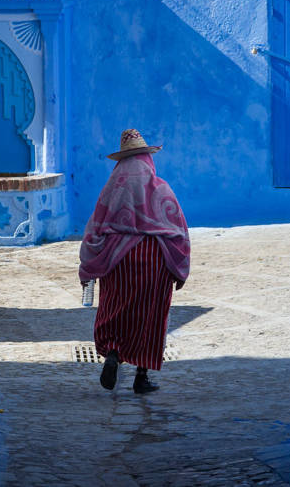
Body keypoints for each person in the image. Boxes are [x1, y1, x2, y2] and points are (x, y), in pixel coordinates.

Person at [79, 129, 191, 394]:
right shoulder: (161, 189)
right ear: (147, 161)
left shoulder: (111, 191)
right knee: (150, 317)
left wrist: (90, 265)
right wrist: (179, 269)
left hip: (118, 260)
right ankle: (142, 376)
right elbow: (178, 229)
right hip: (155, 260)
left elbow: (95, 229)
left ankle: (114, 352)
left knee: (115, 309)